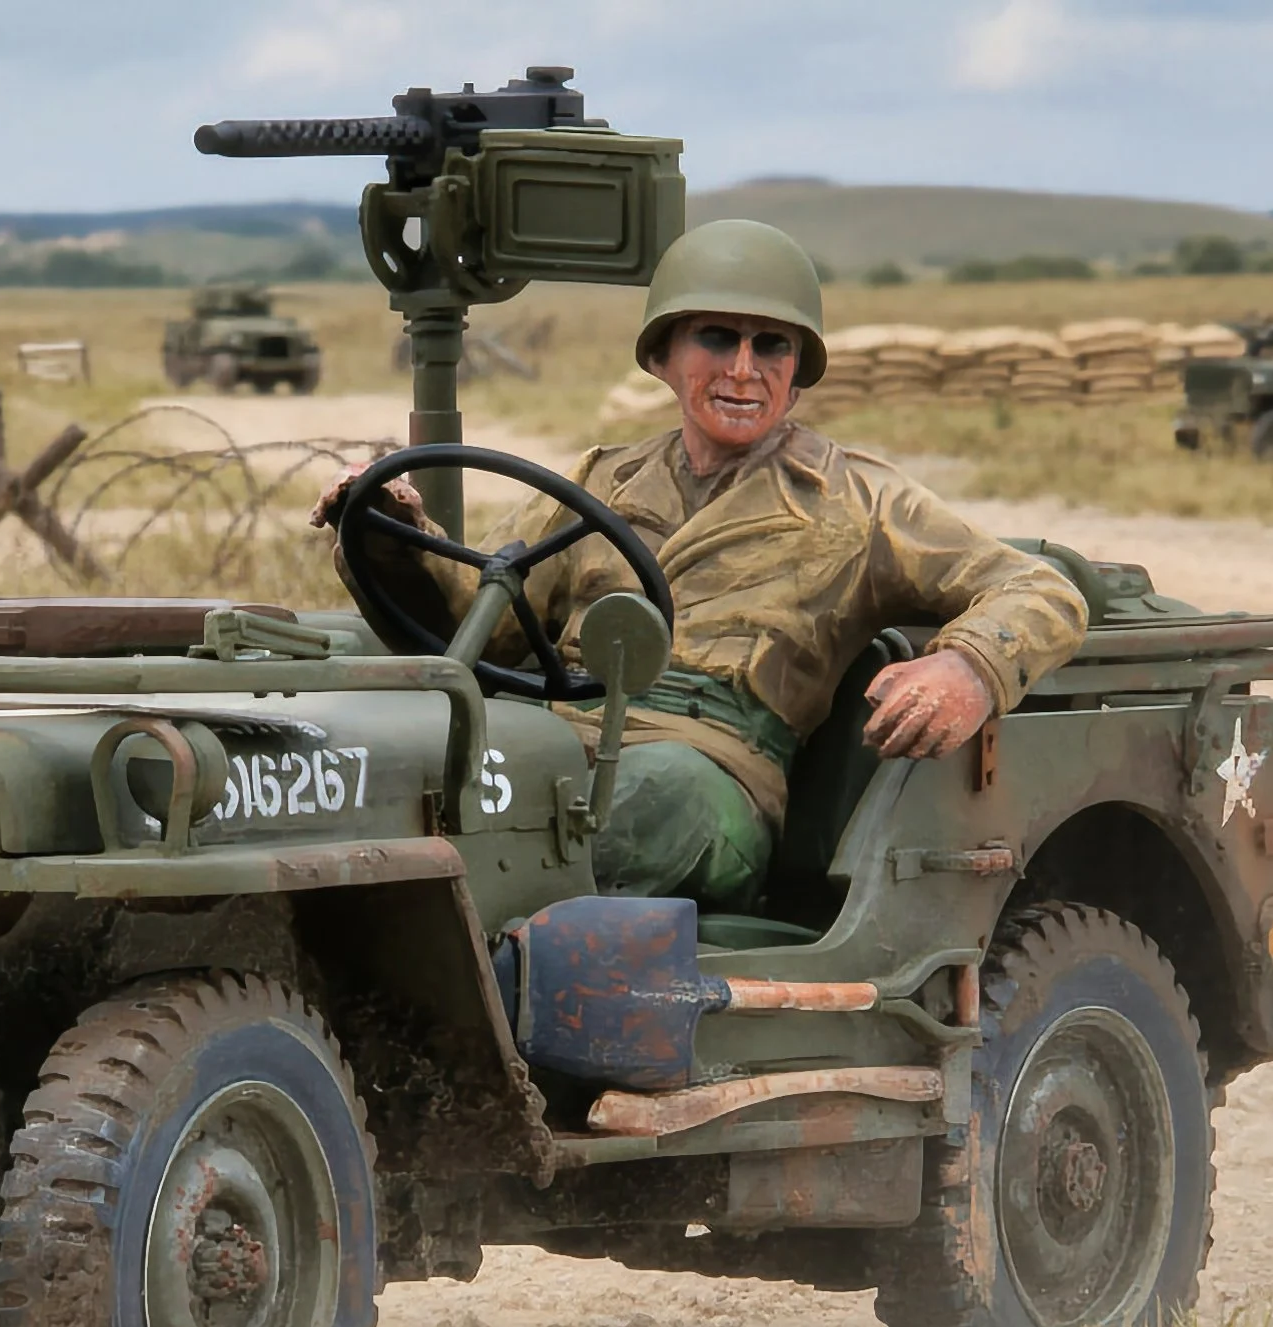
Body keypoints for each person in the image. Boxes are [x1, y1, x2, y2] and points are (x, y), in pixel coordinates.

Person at [318, 219, 1088, 912]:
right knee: (388, 768)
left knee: (642, 808)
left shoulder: (858, 499)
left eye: (773, 345)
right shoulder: (601, 481)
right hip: (562, 735)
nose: (745, 370)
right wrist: (392, 530)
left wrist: (970, 667)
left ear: (798, 367)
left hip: (717, 775)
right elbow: (481, 629)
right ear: (664, 355)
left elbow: (1038, 586)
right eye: (718, 338)